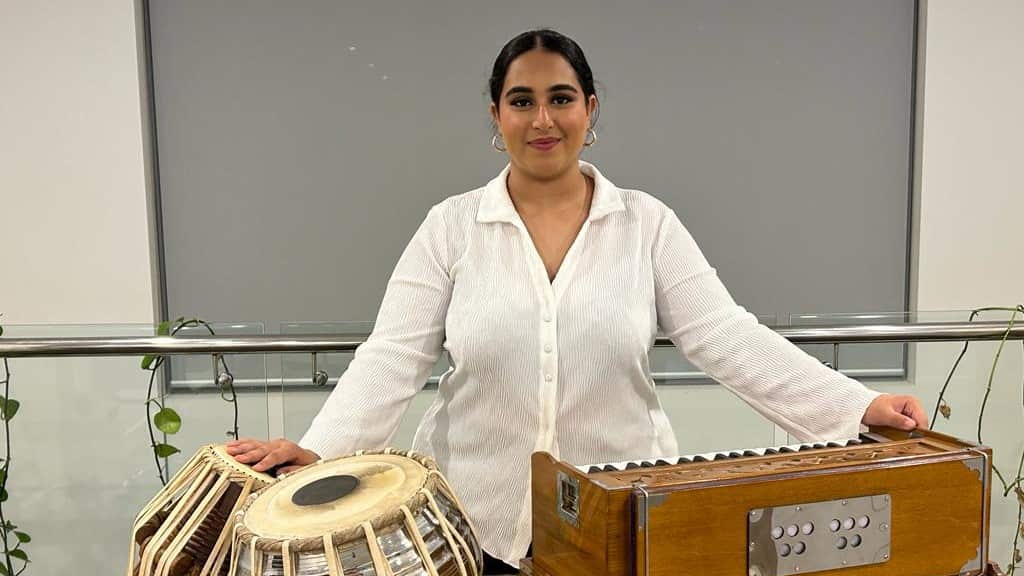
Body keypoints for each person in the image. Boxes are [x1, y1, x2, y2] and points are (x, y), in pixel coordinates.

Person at [228, 28, 928, 574]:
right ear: (496, 115)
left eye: (561, 97)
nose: (543, 119)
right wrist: (317, 451)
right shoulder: (450, 226)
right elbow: (393, 356)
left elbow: (727, 336)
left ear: (590, 110)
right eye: (522, 100)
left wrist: (854, 405)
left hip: (618, 519)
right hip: (476, 528)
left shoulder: (646, 224)